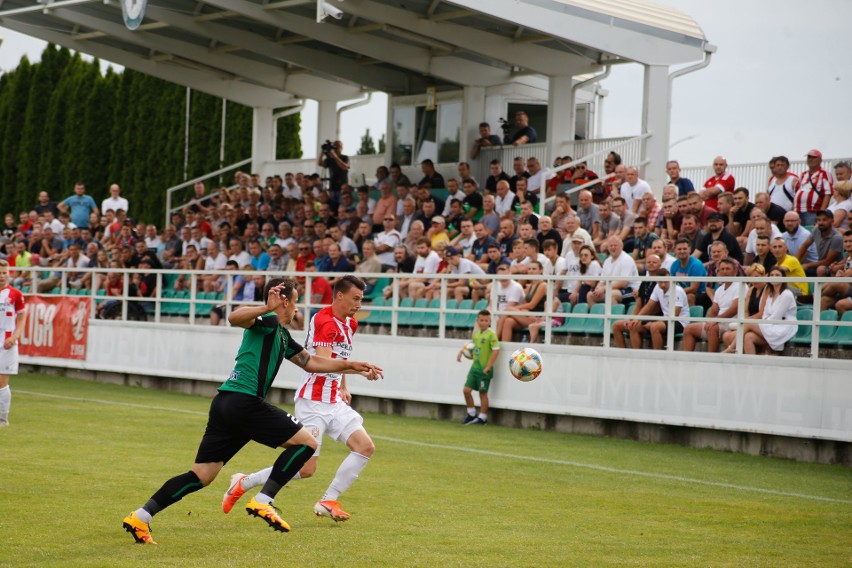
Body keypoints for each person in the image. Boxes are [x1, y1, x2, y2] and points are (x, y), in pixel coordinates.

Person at [122, 278, 382, 544]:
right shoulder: (267, 322)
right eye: (295, 301)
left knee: (202, 476)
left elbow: (311, 362)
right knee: (307, 443)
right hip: (244, 401)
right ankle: (263, 499)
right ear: (284, 301)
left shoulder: (282, 334)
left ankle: (141, 517)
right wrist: (264, 308)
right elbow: (234, 318)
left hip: (225, 404)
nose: (297, 308)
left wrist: (353, 365)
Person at [221, 276, 382, 523]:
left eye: (361, 299)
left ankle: (328, 500)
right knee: (306, 468)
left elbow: (339, 358)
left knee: (365, 447)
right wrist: (357, 369)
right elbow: (321, 363)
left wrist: (344, 384)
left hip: (333, 400)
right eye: (356, 298)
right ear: (340, 296)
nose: (359, 304)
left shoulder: (350, 323)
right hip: (314, 401)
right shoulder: (325, 321)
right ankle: (245, 481)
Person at [682, 258, 741, 353]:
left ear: (735, 271)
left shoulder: (740, 286)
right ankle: (686, 360)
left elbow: (734, 309)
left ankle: (712, 358)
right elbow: (714, 310)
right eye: (722, 269)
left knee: (712, 328)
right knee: (689, 329)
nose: (725, 272)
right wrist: (710, 320)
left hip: (732, 322)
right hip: (719, 322)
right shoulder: (719, 289)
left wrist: (715, 320)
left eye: (728, 269)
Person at [626, 268, 690, 350]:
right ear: (656, 281)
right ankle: (637, 356)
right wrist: (637, 319)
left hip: (680, 322)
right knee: (634, 325)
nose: (663, 284)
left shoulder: (678, 291)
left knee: (655, 327)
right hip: (665, 320)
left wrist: (657, 322)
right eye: (660, 282)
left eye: (666, 281)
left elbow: (675, 315)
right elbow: (649, 306)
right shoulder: (657, 287)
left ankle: (658, 356)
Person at [456, 309, 500, 426]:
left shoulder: (491, 334)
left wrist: (489, 366)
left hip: (484, 369)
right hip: (474, 368)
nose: (484, 322)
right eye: (481, 320)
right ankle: (471, 414)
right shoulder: (476, 333)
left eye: (486, 320)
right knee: (466, 390)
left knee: (482, 393)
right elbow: (471, 346)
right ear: (477, 321)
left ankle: (483, 417)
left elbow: (496, 351)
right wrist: (461, 352)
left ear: (490, 321)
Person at [742, 266, 798, 355]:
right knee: (748, 337)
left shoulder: (787, 294)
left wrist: (763, 321)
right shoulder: (771, 294)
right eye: (771, 275)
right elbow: (765, 313)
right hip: (770, 324)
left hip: (783, 326)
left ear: (783, 278)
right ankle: (752, 364)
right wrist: (764, 320)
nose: (774, 277)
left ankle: (731, 348)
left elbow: (776, 317)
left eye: (777, 275)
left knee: (747, 323)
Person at [0, 260, 25, 427]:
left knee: (2, 382)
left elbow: (22, 317)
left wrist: (15, 336)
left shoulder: (15, 294)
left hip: (6, 341)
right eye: (0, 273)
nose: (2, 276)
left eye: (4, 273)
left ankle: (2, 418)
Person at [721, 264, 768, 353]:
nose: (754, 280)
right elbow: (745, 311)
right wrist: (746, 320)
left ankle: (731, 350)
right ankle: (738, 357)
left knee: (741, 336)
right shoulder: (751, 289)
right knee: (726, 335)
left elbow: (761, 313)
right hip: (750, 323)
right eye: (751, 278)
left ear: (764, 275)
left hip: (761, 323)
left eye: (757, 277)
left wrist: (746, 321)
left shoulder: (768, 289)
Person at [795, 150, 833, 226]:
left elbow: (828, 193)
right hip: (798, 211)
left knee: (810, 233)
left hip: (813, 212)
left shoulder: (824, 174)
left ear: (820, 160)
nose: (811, 159)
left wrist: (821, 212)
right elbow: (797, 191)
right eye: (809, 157)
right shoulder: (803, 174)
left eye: (814, 157)